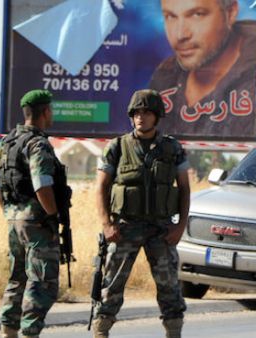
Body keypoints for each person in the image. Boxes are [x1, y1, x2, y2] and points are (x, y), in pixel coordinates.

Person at [92, 89, 190, 338]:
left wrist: (180, 227)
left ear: (157, 116)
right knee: (111, 284)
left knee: (169, 286)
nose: (141, 117)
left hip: (161, 228)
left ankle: (173, 333)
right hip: (125, 227)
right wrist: (106, 224)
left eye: (147, 112)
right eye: (137, 112)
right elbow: (101, 186)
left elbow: (185, 189)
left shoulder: (172, 148)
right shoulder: (116, 147)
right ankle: (101, 331)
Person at [0, 89, 68, 338]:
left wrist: (9, 211)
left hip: (14, 220)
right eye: (51, 110)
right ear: (45, 111)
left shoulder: (6, 142)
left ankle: (8, 331)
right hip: (36, 222)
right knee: (42, 282)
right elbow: (42, 184)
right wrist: (53, 215)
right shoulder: (38, 144)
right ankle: (29, 332)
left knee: (17, 277)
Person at [149, 0, 256, 139]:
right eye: (170, 16)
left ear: (230, 13)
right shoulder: (164, 78)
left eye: (197, 14)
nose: (180, 35)